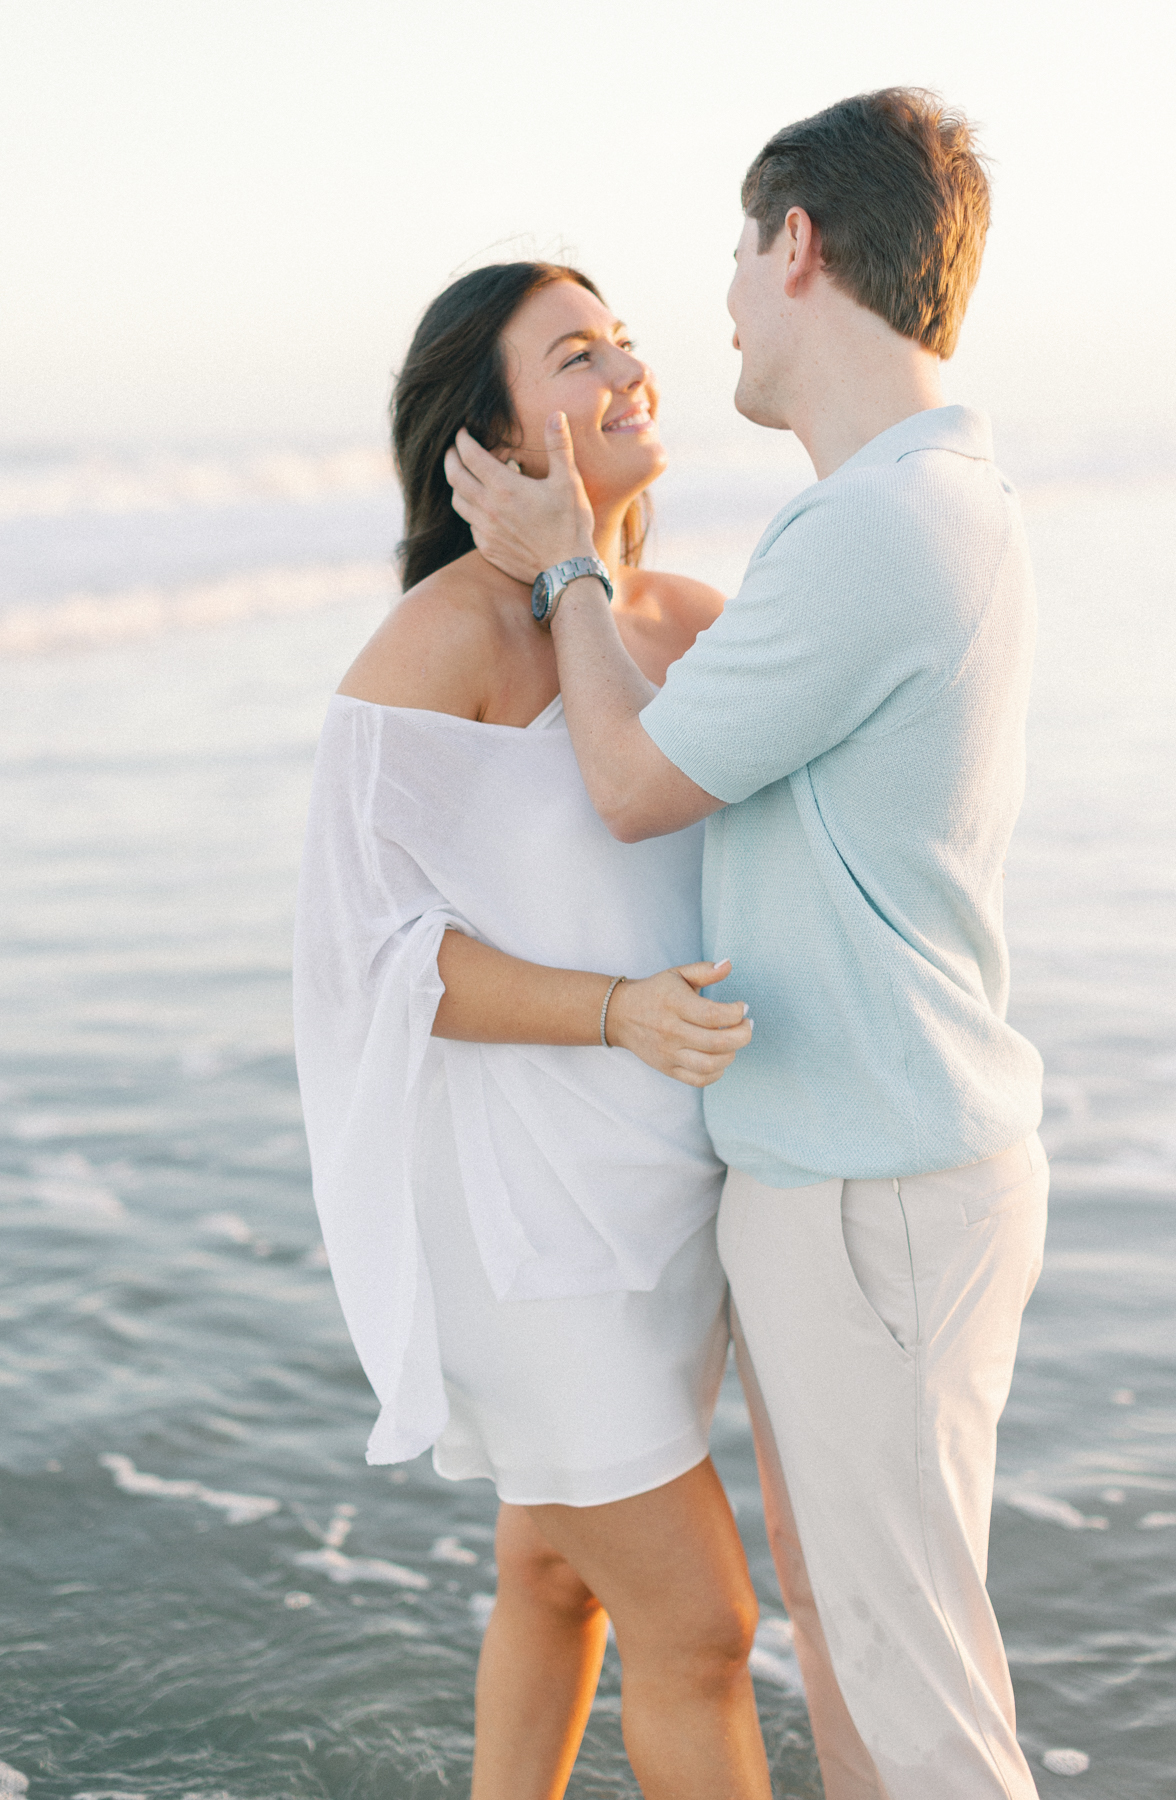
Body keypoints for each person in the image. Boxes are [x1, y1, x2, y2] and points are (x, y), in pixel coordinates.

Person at [445, 90, 1049, 1800]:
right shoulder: (916, 504)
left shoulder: (875, 527)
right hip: (857, 1169)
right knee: (863, 1672)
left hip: (875, 1180)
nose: (709, 303)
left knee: (913, 1695)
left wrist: (564, 570)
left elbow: (632, 782)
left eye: (730, 248)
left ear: (799, 247)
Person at [292, 261, 773, 1800]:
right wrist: (618, 1013)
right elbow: (372, 964)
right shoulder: (445, 639)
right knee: (701, 1626)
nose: (630, 368)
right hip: (526, 1224)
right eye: (577, 354)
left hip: (669, 1200)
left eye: (625, 338)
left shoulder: (695, 622)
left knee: (556, 1580)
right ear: (487, 441)